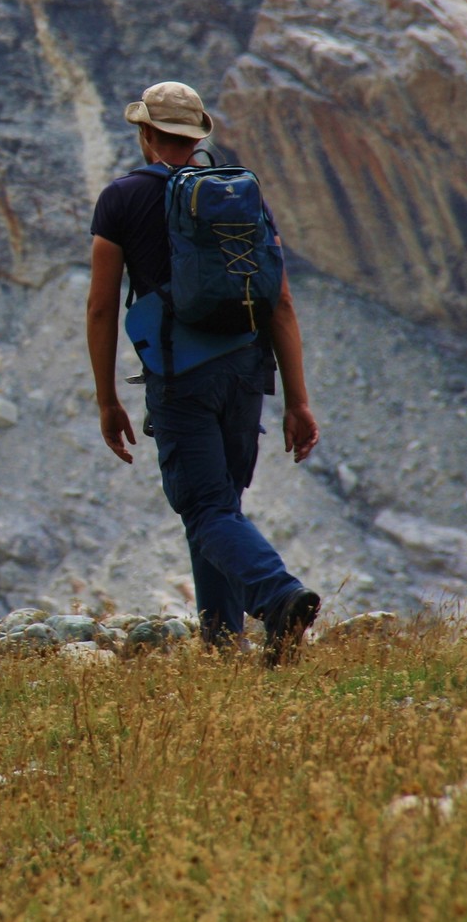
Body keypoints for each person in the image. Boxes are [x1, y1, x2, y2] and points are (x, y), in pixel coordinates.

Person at [85, 81, 322, 662]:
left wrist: (106, 399)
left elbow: (99, 305)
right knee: (220, 506)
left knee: (205, 507)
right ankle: (223, 645)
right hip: (246, 370)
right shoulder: (242, 196)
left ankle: (278, 597)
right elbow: (281, 302)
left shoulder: (120, 199)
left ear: (145, 134)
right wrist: (297, 400)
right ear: (196, 139)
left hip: (180, 374)